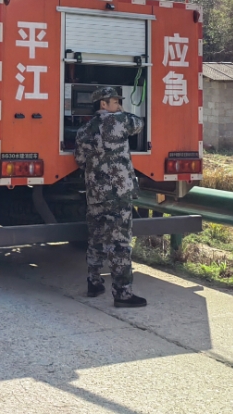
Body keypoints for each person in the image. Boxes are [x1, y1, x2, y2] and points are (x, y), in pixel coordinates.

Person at [74, 87, 148, 308]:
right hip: (118, 193)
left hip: (96, 193)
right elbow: (139, 124)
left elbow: (79, 160)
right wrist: (121, 112)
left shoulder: (84, 130)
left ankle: (94, 283)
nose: (118, 104)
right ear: (103, 104)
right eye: (114, 101)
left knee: (96, 238)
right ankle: (122, 294)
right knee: (120, 243)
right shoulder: (121, 121)